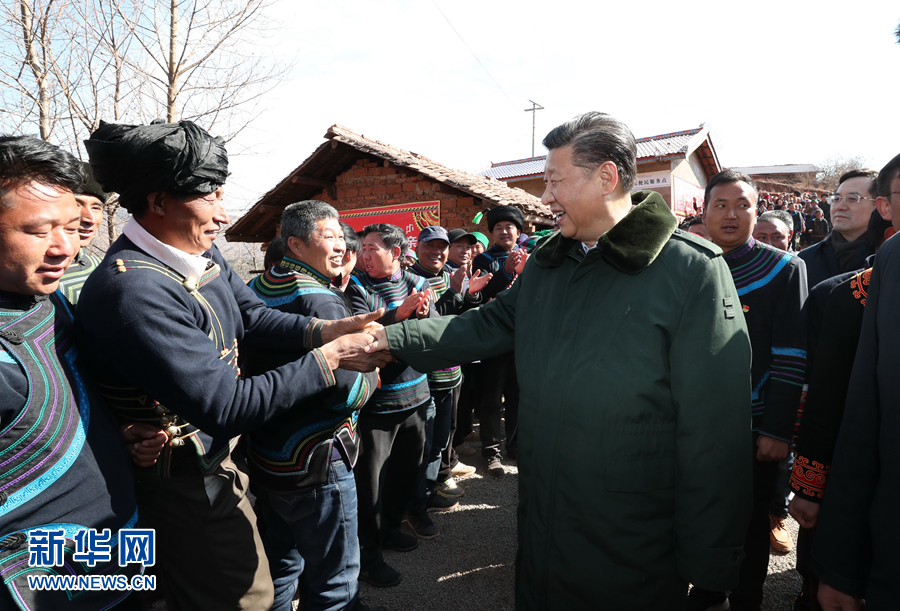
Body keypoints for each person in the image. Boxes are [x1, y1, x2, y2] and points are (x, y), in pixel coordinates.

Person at [366, 112, 753, 609]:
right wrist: (388, 338)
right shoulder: (550, 264)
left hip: (633, 536)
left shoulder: (689, 271)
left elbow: (715, 433)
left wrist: (710, 571)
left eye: (555, 181)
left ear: (606, 177)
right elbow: (484, 324)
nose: (545, 198)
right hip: (545, 517)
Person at [76, 120, 385, 611]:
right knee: (244, 599)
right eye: (210, 197)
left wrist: (328, 329)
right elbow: (226, 406)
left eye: (223, 194)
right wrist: (329, 358)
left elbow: (253, 316)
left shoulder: (197, 249)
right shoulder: (135, 290)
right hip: (182, 478)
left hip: (214, 461)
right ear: (158, 202)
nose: (224, 214)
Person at [0, 135, 144, 610]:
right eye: (39, 231)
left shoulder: (43, 297)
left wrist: (111, 430)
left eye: (70, 227)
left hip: (113, 552)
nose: (64, 248)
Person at [245, 201, 380, 611]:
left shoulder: (257, 286)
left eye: (341, 236)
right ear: (295, 244)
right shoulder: (320, 301)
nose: (340, 246)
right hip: (317, 459)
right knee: (334, 581)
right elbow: (346, 392)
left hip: (267, 455)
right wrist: (375, 374)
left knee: (281, 566)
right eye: (328, 236)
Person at [693, 169, 808, 611]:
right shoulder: (686, 264)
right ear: (704, 210)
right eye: (720, 205)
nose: (730, 214)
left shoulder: (784, 268)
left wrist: (777, 430)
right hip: (692, 422)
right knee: (697, 514)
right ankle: (705, 593)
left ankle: (746, 600)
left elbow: (791, 355)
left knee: (752, 523)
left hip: (754, 425)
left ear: (757, 212)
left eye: (742, 205)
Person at [345, 223, 435, 588]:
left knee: (405, 472)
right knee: (371, 483)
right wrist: (398, 316)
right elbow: (362, 335)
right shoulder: (356, 287)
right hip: (378, 405)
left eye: (372, 248)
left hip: (416, 396)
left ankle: (391, 528)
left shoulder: (418, 283)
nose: (364, 255)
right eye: (363, 248)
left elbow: (432, 332)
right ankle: (368, 556)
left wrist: (422, 316)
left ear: (395, 252)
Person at [405, 225, 490, 539]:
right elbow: (430, 324)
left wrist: (470, 294)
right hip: (425, 379)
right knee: (423, 446)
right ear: (417, 248)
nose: (436, 252)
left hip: (451, 373)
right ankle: (414, 507)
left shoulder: (450, 275)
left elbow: (462, 318)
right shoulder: (412, 280)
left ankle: (429, 492)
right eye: (430, 246)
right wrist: (456, 292)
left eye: (441, 247)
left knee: (441, 440)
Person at [471, 205, 528, 474]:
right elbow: (482, 295)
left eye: (509, 227)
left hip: (521, 337)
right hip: (494, 337)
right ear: (492, 233)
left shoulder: (531, 258)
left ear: (519, 232)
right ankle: (491, 452)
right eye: (498, 228)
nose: (504, 232)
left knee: (517, 396)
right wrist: (505, 271)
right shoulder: (483, 260)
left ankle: (515, 446)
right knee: (492, 397)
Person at [798, 170, 878, 289]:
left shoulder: (889, 258)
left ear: (881, 205)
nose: (839, 207)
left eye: (852, 199)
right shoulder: (806, 259)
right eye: (836, 199)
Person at [57, 162, 107, 304]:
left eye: (96, 208)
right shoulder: (28, 275)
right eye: (76, 204)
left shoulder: (103, 267)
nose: (90, 219)